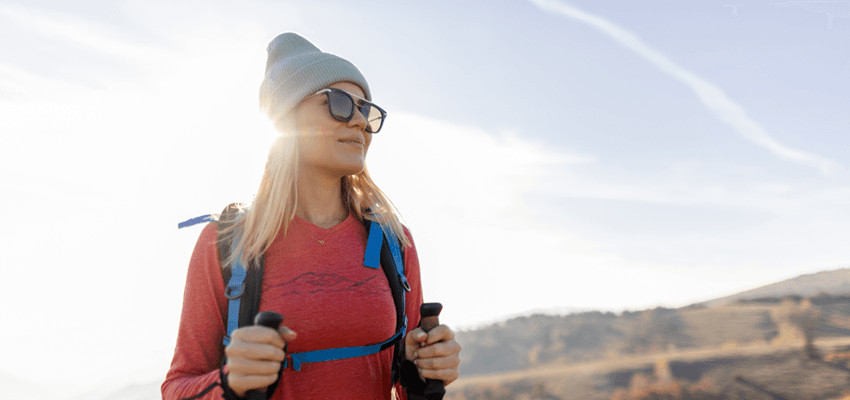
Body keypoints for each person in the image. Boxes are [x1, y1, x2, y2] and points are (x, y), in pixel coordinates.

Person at [161, 32, 461, 400]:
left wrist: (424, 371)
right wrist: (228, 382)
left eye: (366, 110)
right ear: (287, 118)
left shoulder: (393, 241)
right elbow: (178, 387)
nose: (360, 123)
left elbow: (402, 380)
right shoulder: (227, 241)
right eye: (340, 103)